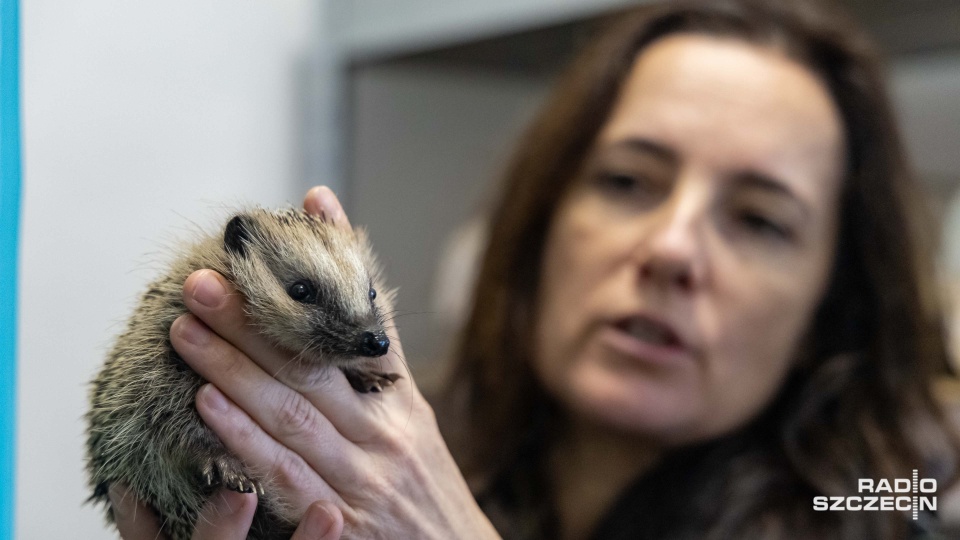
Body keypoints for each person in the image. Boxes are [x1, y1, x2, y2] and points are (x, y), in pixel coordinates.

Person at [109, 0, 960, 537]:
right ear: (536, 227)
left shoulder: (885, 508)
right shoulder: (388, 456)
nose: (671, 248)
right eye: (628, 182)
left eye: (761, 220)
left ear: (829, 300)